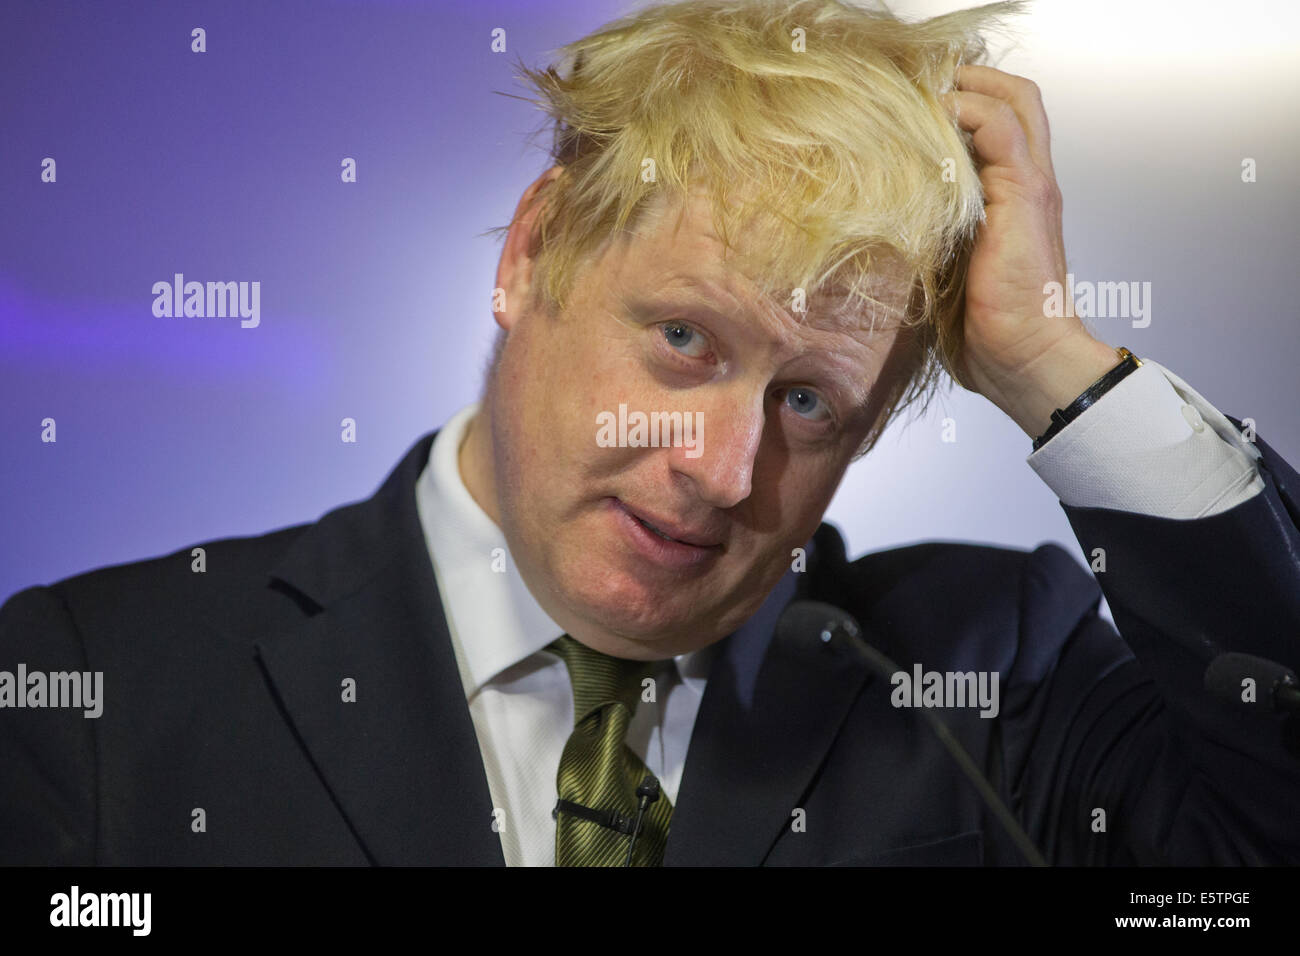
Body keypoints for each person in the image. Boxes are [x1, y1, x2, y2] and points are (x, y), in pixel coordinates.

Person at [2, 0, 1298, 867]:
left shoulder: (994, 675)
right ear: (532, 251)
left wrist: (1058, 367)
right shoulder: (95, 693)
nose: (722, 474)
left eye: (809, 402)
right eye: (685, 341)